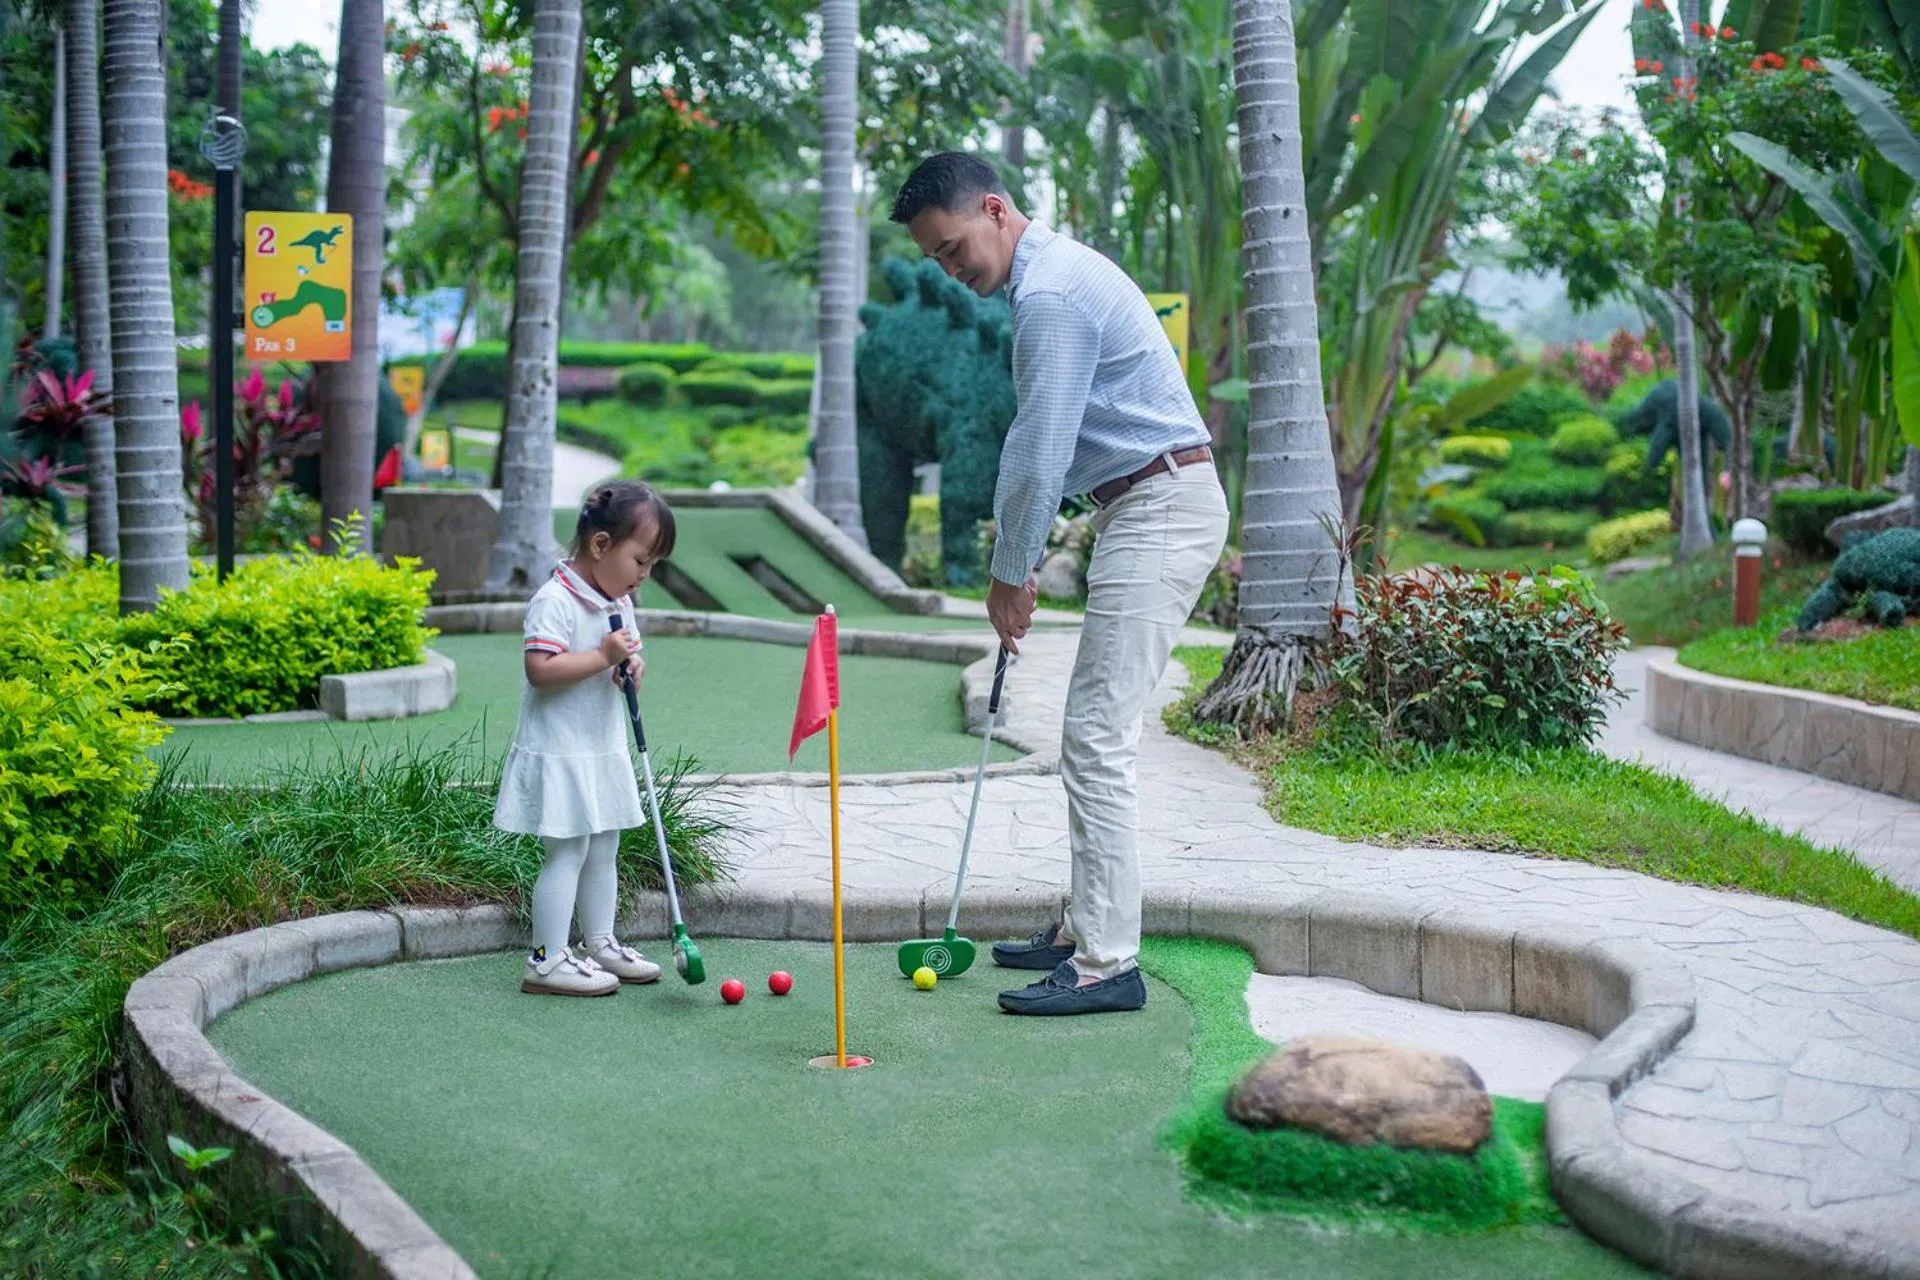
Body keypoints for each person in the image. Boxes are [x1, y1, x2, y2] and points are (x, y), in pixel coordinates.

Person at [891, 152, 1229, 1016]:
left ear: (995, 210)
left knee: (1096, 735)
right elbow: (1050, 443)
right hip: (1141, 502)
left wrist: (1009, 575)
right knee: (1092, 731)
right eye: (934, 257)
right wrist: (1026, 557)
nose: (950, 268)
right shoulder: (1044, 280)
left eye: (953, 247)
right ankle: (1085, 926)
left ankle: (1108, 963)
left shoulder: (1048, 294)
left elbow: (1038, 452)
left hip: (1161, 505)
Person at [494, 481, 678, 997]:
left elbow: (626, 663)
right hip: (562, 750)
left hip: (599, 747)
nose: (644, 574)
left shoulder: (619, 602)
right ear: (600, 545)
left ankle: (599, 942)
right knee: (568, 852)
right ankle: (546, 960)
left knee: (603, 848)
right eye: (640, 560)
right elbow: (540, 670)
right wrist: (602, 656)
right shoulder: (554, 600)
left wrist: (629, 669)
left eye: (652, 565)